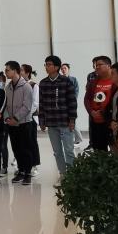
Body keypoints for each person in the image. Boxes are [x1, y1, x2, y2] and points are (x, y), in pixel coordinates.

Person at [38, 54, 77, 184]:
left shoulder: (66, 81)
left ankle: (72, 175)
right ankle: (63, 174)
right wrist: (42, 120)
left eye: (49, 64)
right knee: (57, 151)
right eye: (46, 64)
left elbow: (72, 102)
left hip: (65, 121)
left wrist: (72, 120)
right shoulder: (43, 83)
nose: (46, 67)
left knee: (69, 150)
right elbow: (41, 103)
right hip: (51, 122)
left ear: (56, 67)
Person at [3, 61, 35, 185]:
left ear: (15, 71)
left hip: (24, 123)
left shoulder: (26, 86)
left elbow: (27, 106)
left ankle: (28, 173)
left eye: (7, 70)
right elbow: (5, 106)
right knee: (16, 148)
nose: (5, 72)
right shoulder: (8, 87)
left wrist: (15, 118)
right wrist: (7, 118)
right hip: (11, 124)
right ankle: (21, 171)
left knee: (25, 149)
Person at [84, 55, 114, 150]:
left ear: (108, 65)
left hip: (111, 122)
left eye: (99, 65)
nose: (96, 67)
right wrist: (91, 112)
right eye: (96, 65)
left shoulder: (115, 81)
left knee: (116, 151)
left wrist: (103, 112)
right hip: (96, 121)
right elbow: (87, 99)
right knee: (99, 151)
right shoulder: (93, 82)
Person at [21, 63, 42, 176]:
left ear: (27, 73)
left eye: (21, 70)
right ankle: (24, 165)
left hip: (31, 118)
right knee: (22, 143)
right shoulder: (19, 85)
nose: (19, 72)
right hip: (20, 119)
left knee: (32, 142)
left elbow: (35, 103)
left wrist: (26, 114)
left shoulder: (34, 86)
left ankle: (34, 165)